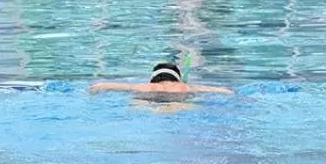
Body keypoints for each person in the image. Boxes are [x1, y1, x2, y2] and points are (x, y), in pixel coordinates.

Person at [90, 60, 233, 97]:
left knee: (140, 106)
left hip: (147, 98)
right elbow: (225, 91)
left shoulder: (143, 87)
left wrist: (94, 89)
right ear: (177, 78)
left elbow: (102, 85)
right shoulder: (185, 87)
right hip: (179, 98)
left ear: (153, 78)